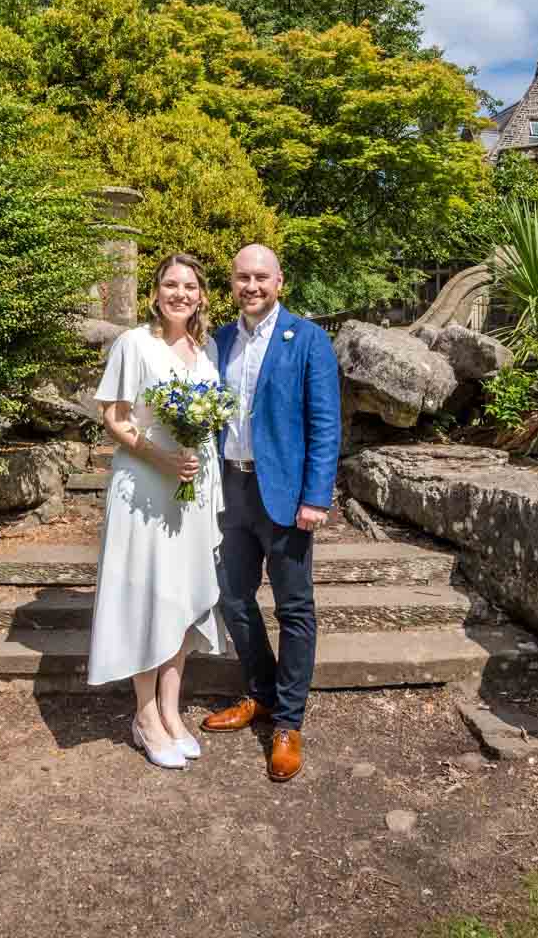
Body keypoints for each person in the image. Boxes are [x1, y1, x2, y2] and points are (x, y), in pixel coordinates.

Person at [201, 243, 341, 782]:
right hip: (229, 493)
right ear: (232, 284)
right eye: (242, 278)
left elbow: (325, 425)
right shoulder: (217, 342)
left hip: (283, 495)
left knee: (294, 608)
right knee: (234, 599)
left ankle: (287, 720)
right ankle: (258, 694)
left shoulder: (307, 339)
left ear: (279, 282)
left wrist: (316, 497)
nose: (251, 286)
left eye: (261, 277)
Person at [86, 253, 226, 769]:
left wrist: (189, 465)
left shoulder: (205, 349)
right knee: (146, 595)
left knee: (180, 596)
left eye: (189, 286)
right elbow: (113, 417)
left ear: (201, 296)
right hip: (144, 487)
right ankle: (144, 715)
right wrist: (161, 457)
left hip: (190, 491)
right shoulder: (134, 343)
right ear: (155, 292)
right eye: (171, 284)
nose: (180, 294)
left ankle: (172, 710)